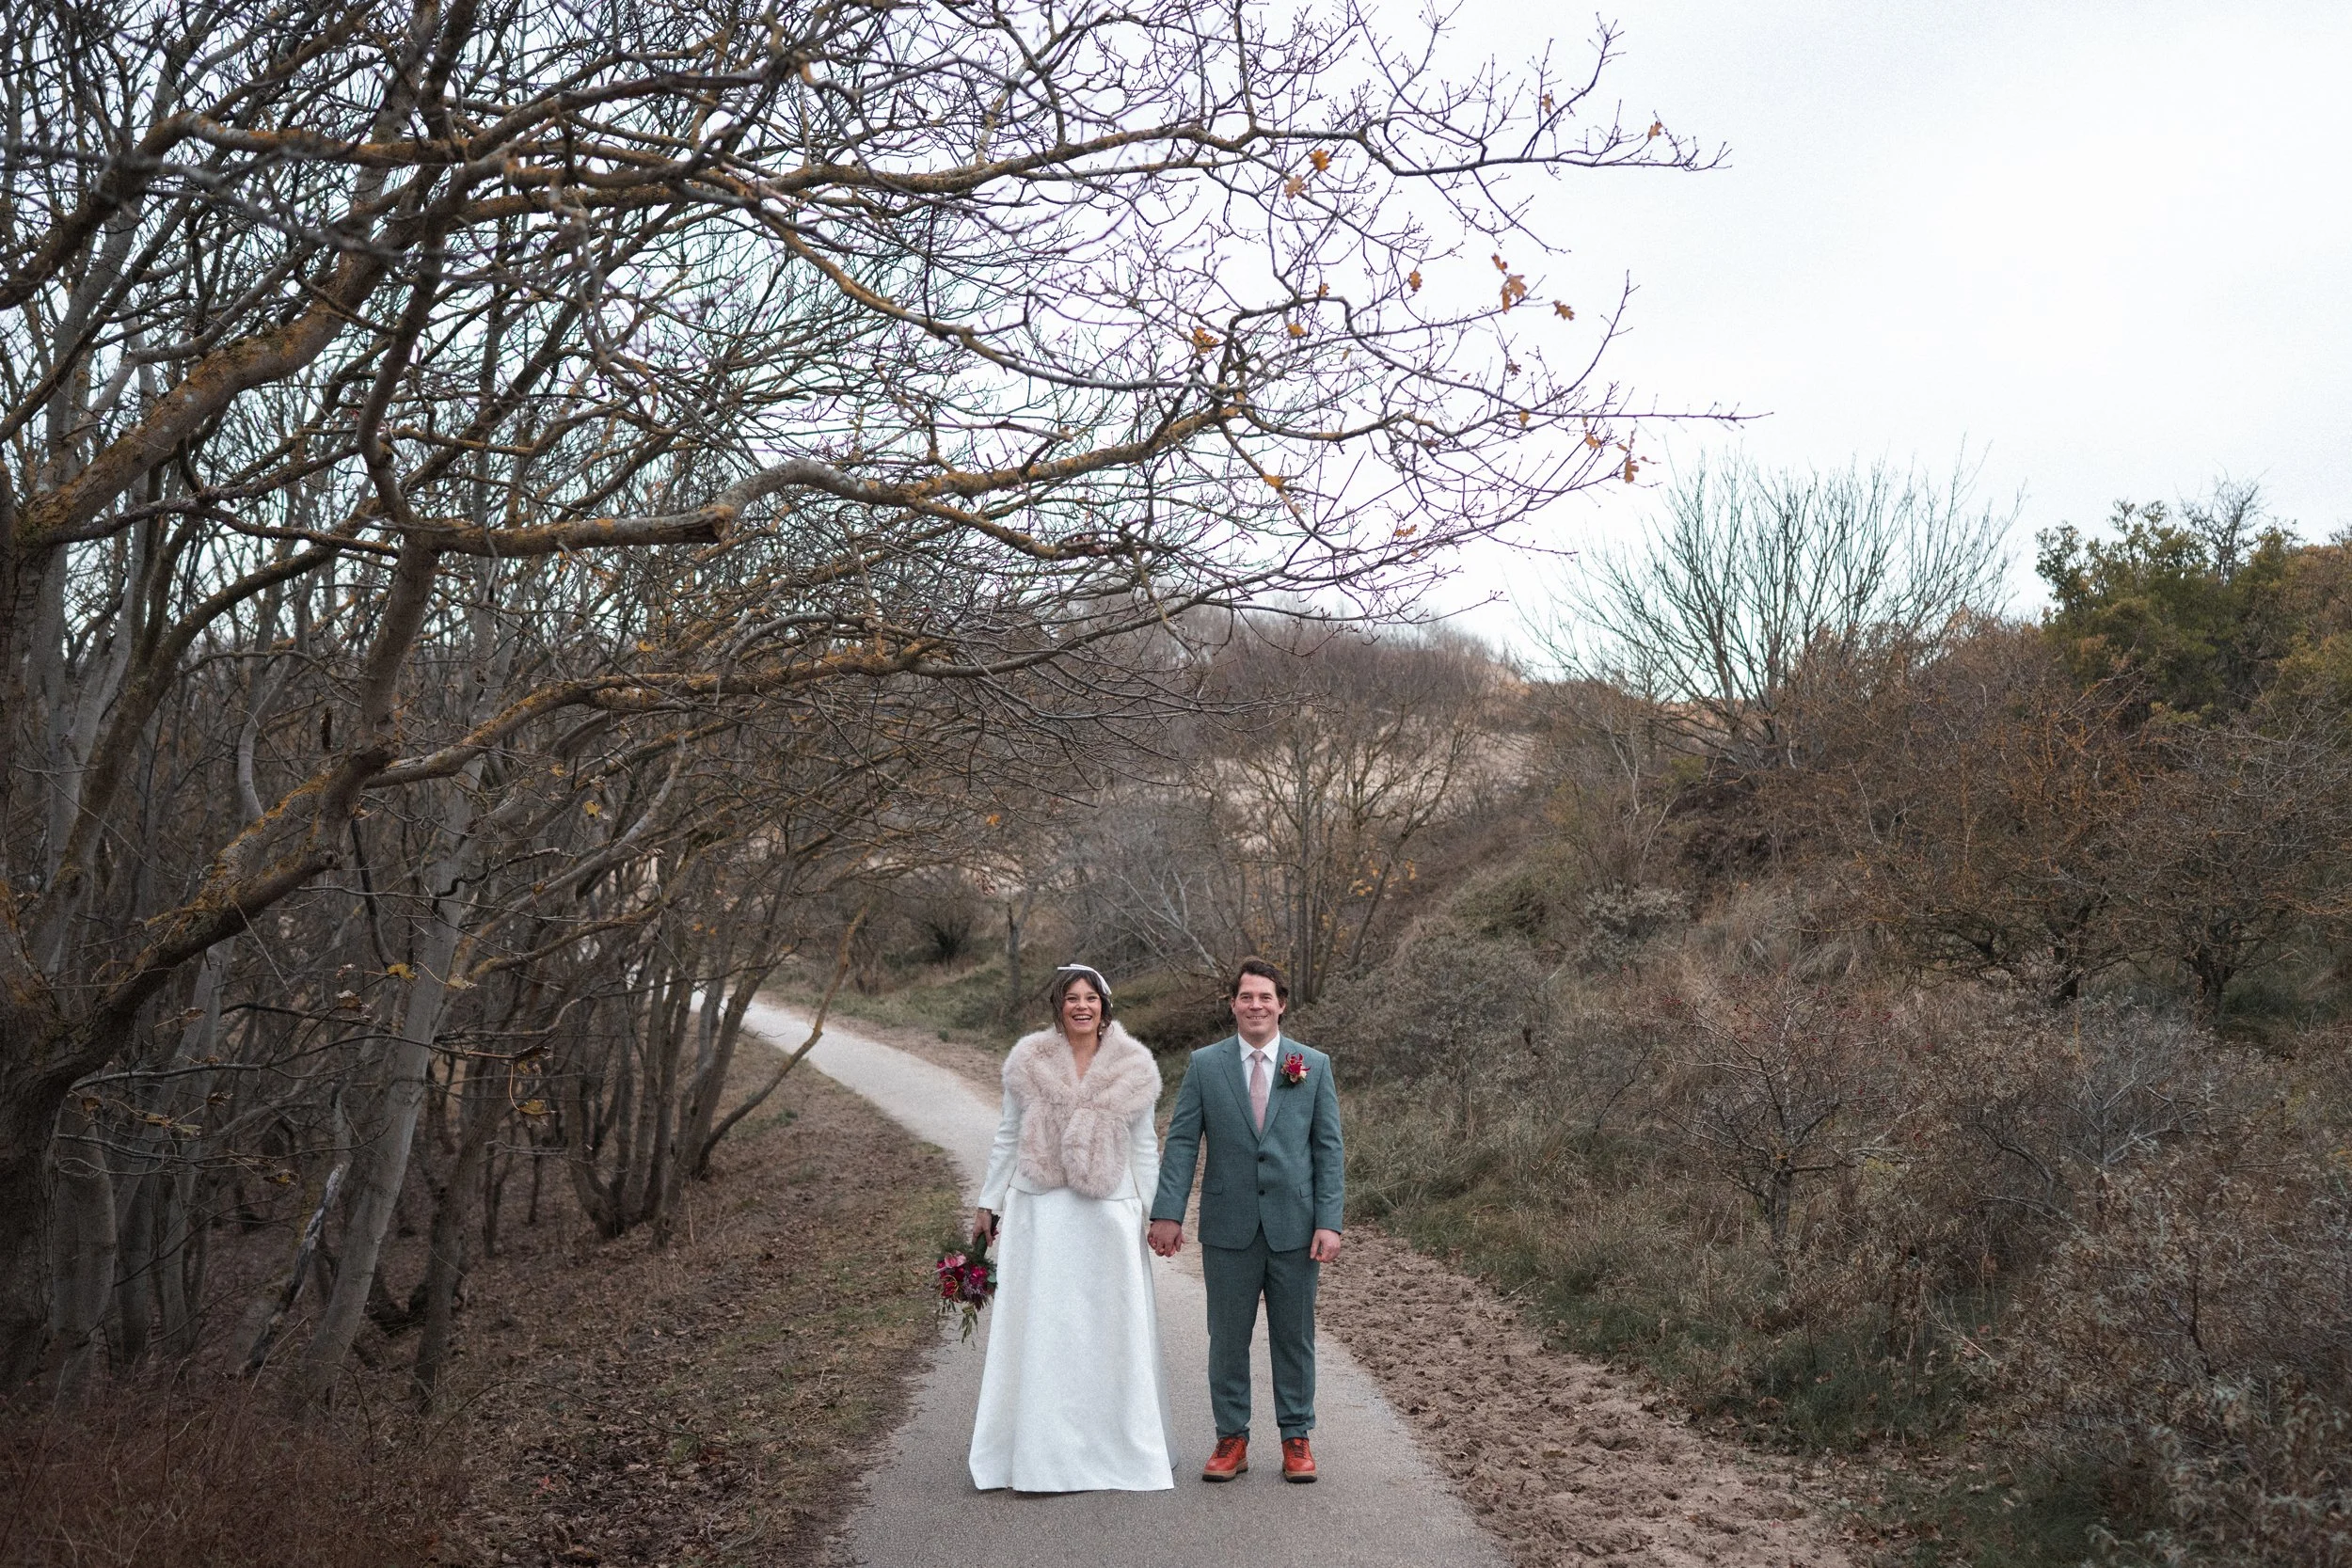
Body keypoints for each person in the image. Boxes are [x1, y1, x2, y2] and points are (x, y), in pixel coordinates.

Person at [968, 963, 1175, 1491]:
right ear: (1058, 1006)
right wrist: (989, 1202)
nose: (1082, 1006)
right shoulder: (1029, 1062)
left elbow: (1145, 1148)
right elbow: (1007, 1135)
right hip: (1042, 1212)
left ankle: (1117, 1446)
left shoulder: (1134, 1067)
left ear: (1104, 1006)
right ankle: (1042, 1451)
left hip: (1109, 1213)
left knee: (1109, 1328)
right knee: (1048, 1326)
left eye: (1091, 998)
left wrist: (1158, 1215)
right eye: (1071, 998)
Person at [1149, 958, 1343, 1484]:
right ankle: (1231, 1437)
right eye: (1246, 997)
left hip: (1295, 1227)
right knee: (1227, 1338)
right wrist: (1167, 1213)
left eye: (1265, 997)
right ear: (1233, 1004)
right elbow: (1182, 1142)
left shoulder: (1312, 1065)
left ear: (1281, 1005)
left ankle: (1296, 1436)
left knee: (1294, 1337)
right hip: (1227, 1226)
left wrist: (1330, 1221)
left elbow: (1328, 1150)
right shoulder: (1204, 1065)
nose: (1255, 1005)